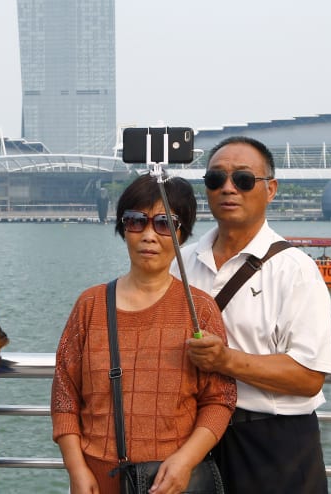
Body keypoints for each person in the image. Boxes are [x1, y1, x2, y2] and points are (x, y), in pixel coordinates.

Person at [52, 174, 236, 494]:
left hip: (170, 478)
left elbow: (220, 399)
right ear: (124, 229)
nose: (149, 235)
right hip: (96, 477)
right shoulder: (90, 305)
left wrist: (186, 461)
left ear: (182, 234)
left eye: (165, 223)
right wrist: (76, 469)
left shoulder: (200, 310)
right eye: (137, 221)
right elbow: (65, 396)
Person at [176, 136, 331, 493]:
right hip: (195, 438)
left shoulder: (296, 270)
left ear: (270, 189)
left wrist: (224, 359)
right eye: (216, 179)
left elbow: (309, 376)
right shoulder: (183, 263)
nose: (228, 188)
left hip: (275, 443)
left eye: (243, 180)